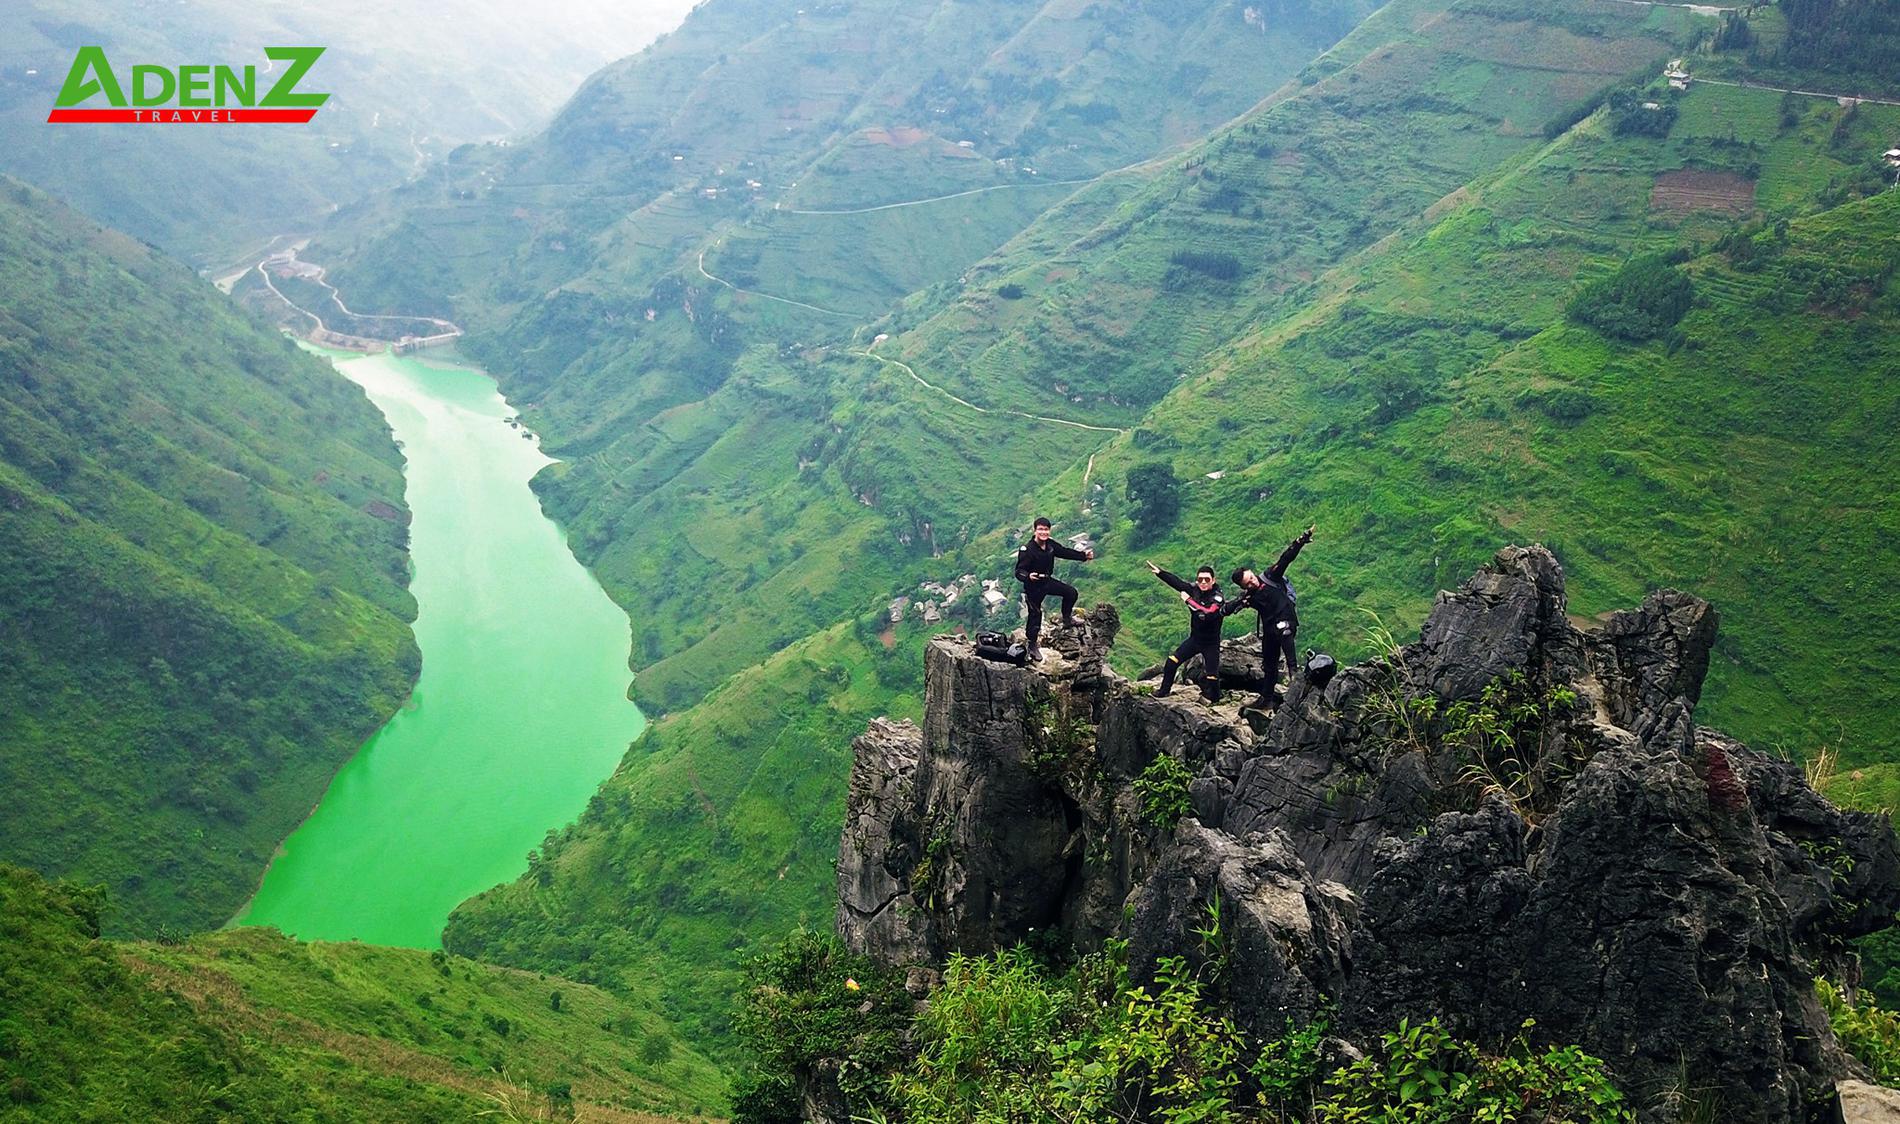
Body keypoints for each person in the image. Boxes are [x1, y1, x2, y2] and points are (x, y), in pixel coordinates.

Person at [1228, 524, 1314, 707]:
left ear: (1252, 573)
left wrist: (1300, 542)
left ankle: (1295, 677)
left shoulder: (1270, 576)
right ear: (1243, 587)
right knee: (1269, 663)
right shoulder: (1248, 596)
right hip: (1270, 629)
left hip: (1286, 620)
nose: (1252, 582)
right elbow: (1231, 607)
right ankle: (1266, 698)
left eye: (1251, 578)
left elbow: (1285, 559)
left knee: (1285, 632)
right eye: (1247, 583)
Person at [1014, 517, 1094, 661]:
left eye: (1046, 529)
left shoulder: (1050, 545)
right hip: (1033, 586)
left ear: (1049, 531)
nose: (1043, 532)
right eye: (1040, 529)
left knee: (1070, 592)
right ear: (1035, 530)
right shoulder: (1027, 549)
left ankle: (1067, 618)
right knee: (1035, 614)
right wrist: (1028, 576)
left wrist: (1083, 556)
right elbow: (1019, 571)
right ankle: (1032, 645)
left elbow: (1064, 552)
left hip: (1046, 581)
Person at [1147, 561, 1226, 702]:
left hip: (1211, 643)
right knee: (1171, 662)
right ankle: (1163, 691)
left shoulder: (1217, 597)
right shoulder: (1195, 590)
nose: (1203, 582)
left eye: (1207, 580)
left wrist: (1188, 601)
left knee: (1212, 676)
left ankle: (1215, 700)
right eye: (1200, 579)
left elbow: (1206, 614)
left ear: (1213, 580)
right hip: (1195, 640)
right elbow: (1178, 584)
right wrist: (1160, 573)